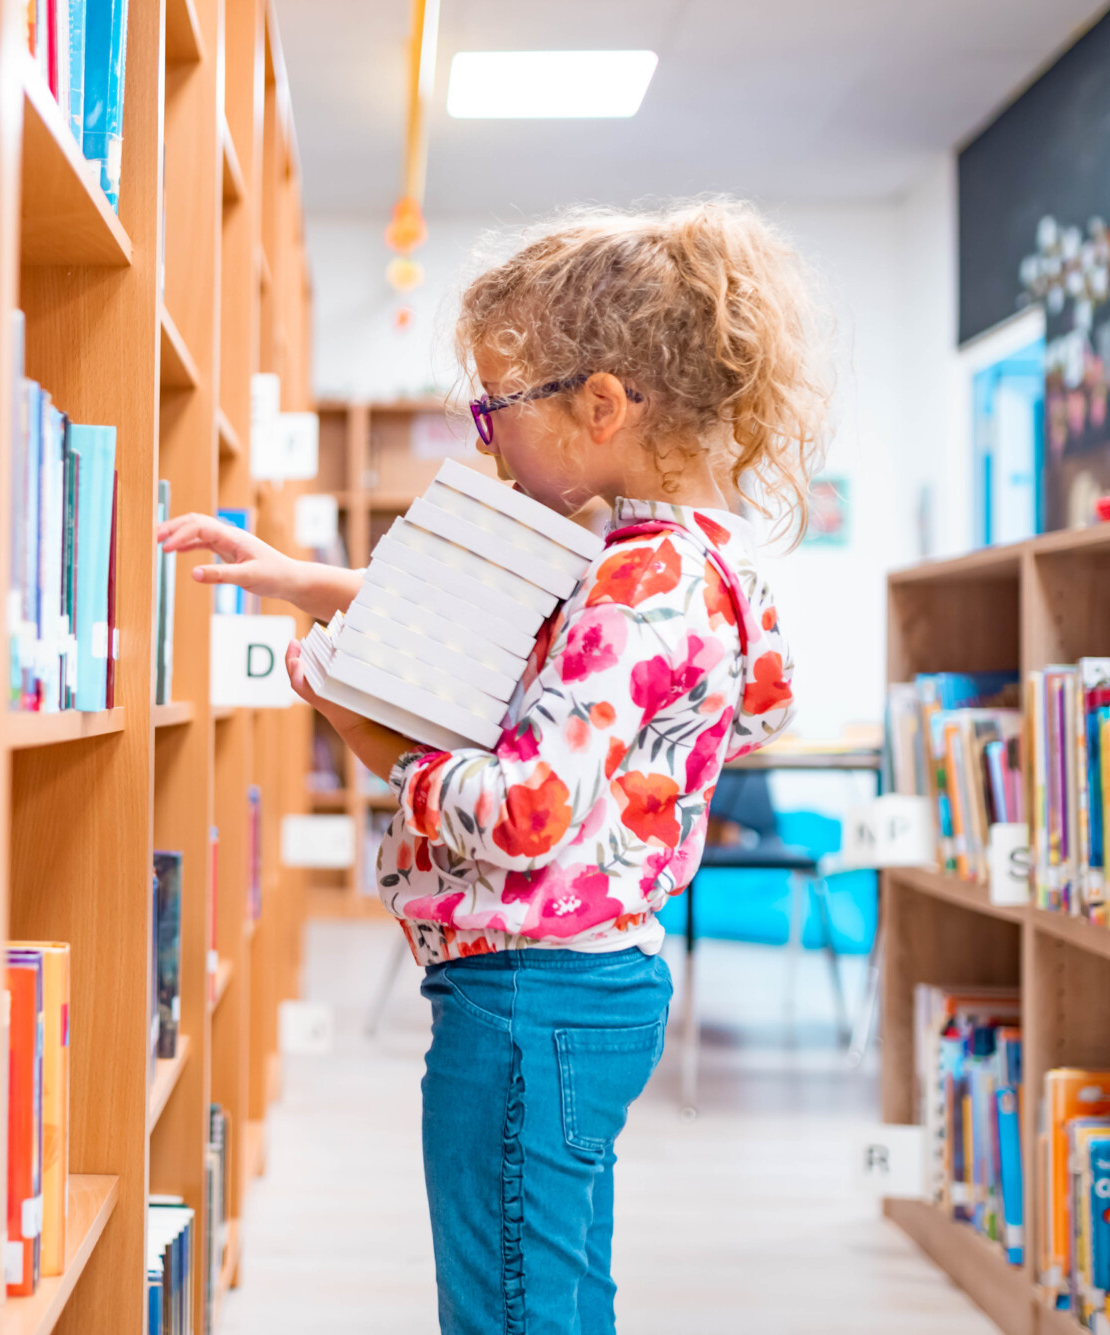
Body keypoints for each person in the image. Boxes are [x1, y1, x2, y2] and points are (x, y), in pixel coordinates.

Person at [157, 198, 822, 1334]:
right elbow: (746, 703)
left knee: (508, 1309)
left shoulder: (634, 580)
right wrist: (308, 583)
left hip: (526, 996)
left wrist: (354, 718)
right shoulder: (700, 562)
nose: (482, 439)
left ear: (600, 407)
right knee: (554, 1290)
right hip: (593, 986)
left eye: (493, 408)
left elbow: (520, 809)